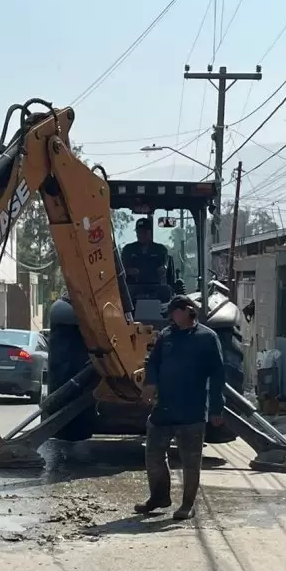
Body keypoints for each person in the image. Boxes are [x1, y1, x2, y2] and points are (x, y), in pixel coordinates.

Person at [135, 295, 225, 520]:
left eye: (174, 314)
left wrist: (216, 409)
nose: (171, 319)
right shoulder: (166, 336)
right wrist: (149, 385)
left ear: (186, 311)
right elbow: (153, 363)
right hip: (164, 407)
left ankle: (187, 504)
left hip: (192, 410)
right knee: (153, 453)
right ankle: (159, 497)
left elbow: (218, 376)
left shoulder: (207, 338)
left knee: (190, 461)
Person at [120, 217, 170, 288]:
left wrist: (163, 269)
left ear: (150, 232)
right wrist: (128, 271)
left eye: (143, 232)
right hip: (132, 289)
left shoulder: (160, 249)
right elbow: (121, 270)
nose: (140, 235)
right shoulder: (128, 249)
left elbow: (165, 267)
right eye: (138, 232)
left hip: (156, 288)